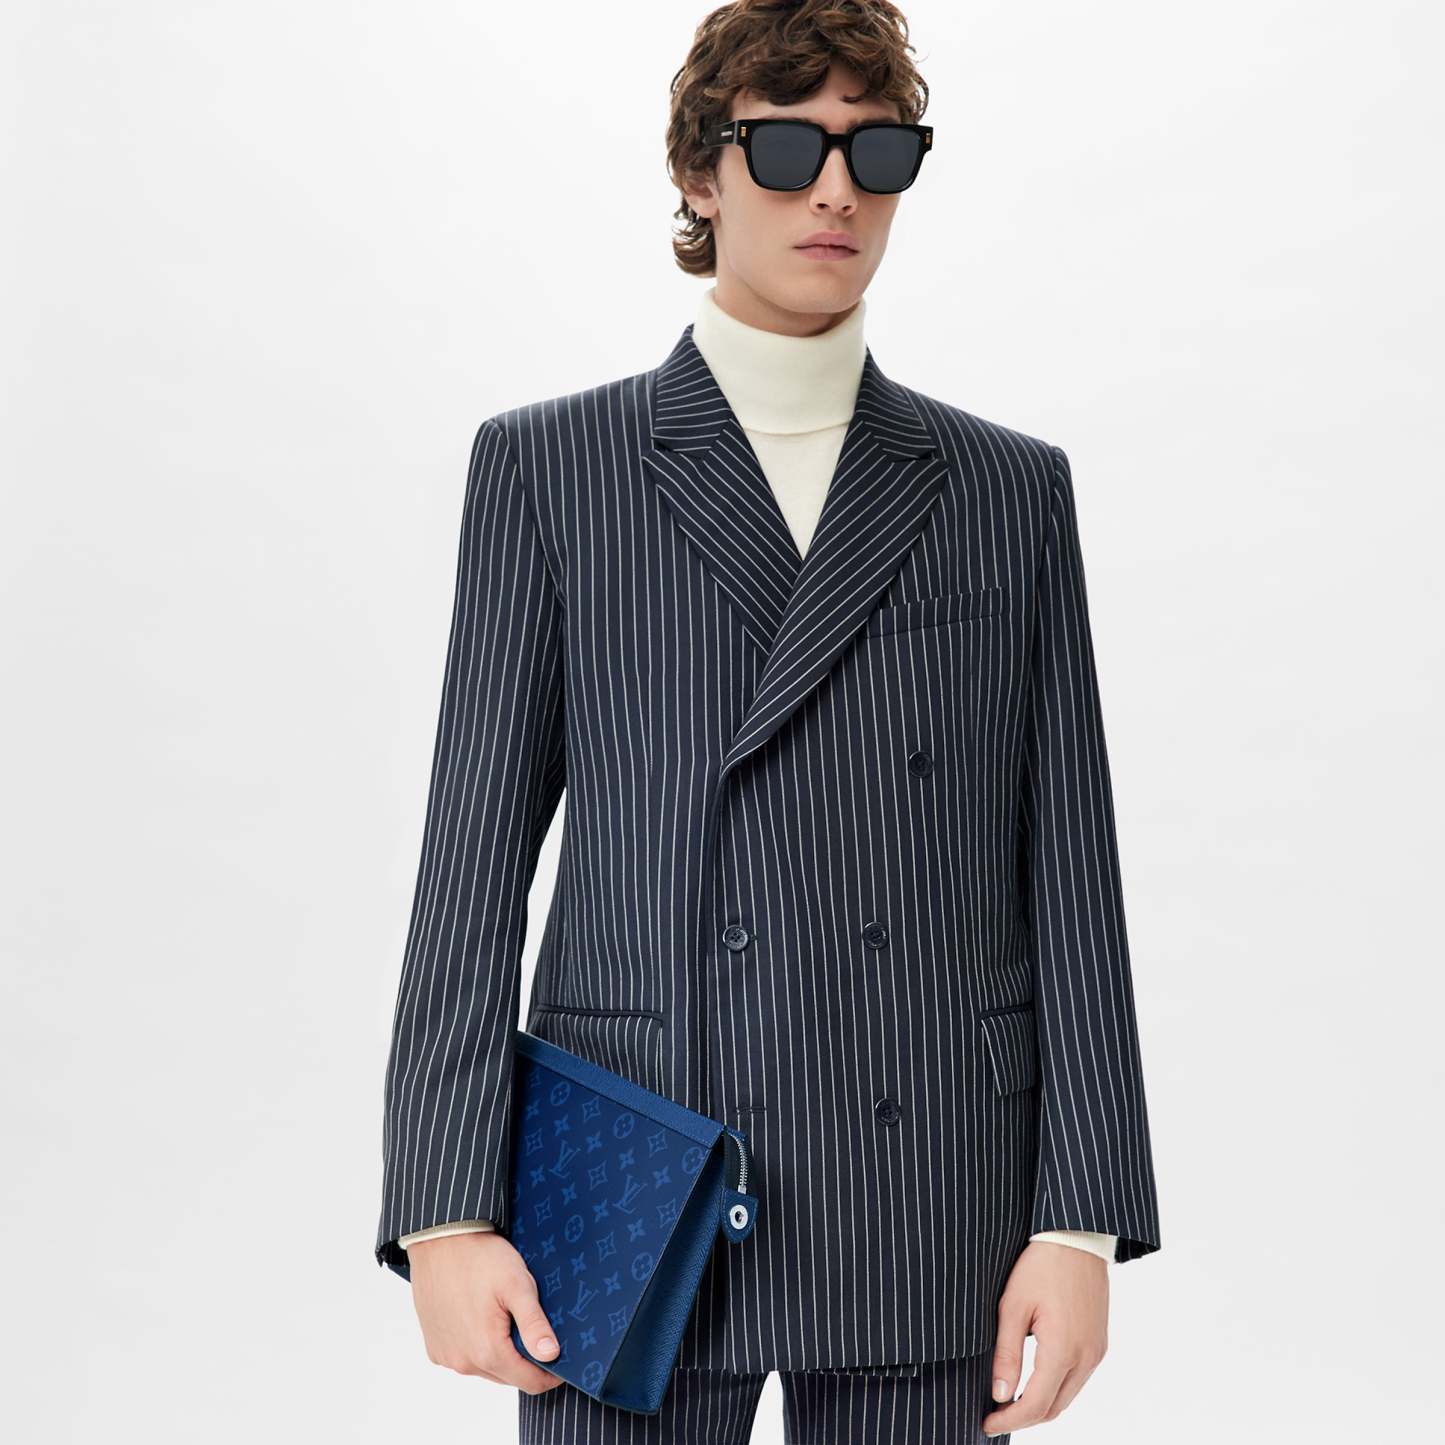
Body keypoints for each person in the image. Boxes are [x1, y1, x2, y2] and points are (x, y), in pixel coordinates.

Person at [374, 3, 1161, 1441]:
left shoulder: (1004, 490)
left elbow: (1069, 872)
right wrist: (443, 1208)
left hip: (931, 1177)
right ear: (700, 170)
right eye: (787, 147)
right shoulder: (555, 469)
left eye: (878, 153)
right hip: (639, 1165)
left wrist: (1082, 1220)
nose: (835, 191)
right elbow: (470, 863)